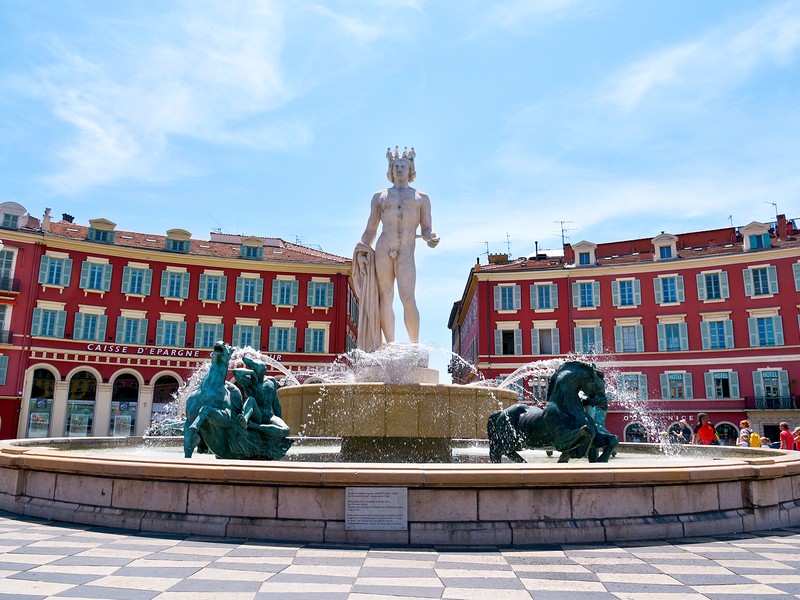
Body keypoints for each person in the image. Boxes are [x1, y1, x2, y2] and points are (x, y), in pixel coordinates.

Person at [354, 147, 440, 351]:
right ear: (391, 170)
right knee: (386, 295)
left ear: (411, 170)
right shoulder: (380, 196)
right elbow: (370, 229)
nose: (400, 168)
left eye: (404, 166)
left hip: (407, 252)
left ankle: (414, 347)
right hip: (384, 248)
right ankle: (390, 347)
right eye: (396, 166)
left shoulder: (421, 198)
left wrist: (431, 237)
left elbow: (426, 228)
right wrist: (362, 251)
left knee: (408, 297)